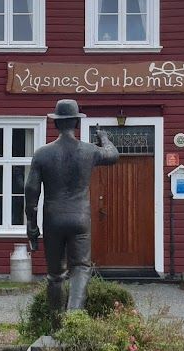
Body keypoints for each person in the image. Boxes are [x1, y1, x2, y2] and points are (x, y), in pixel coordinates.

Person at [24, 99, 120, 318]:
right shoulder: (89, 151)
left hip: (53, 219)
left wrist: (31, 224)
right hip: (80, 219)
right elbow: (113, 155)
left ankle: (56, 324)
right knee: (81, 268)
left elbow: (31, 192)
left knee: (55, 275)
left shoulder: (42, 154)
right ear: (76, 122)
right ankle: (74, 317)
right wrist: (104, 137)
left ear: (56, 124)